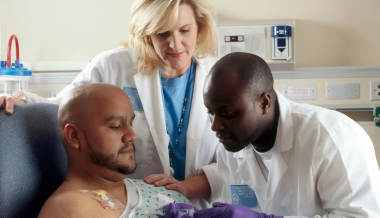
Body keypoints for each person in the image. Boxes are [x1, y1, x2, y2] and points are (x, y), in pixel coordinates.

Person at [0, 0, 222, 208]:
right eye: (162, 33)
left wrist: (187, 188)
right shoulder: (114, 65)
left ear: (199, 27)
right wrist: (21, 101)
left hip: (198, 205)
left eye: (184, 30)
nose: (175, 44)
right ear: (147, 34)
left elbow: (232, 160)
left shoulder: (219, 76)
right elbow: (65, 106)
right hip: (131, 205)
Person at [165, 52, 380, 218]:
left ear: (264, 103)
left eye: (227, 114)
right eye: (210, 113)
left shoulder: (331, 137)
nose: (215, 126)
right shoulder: (231, 148)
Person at [38, 83, 194, 218]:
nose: (132, 136)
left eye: (131, 124)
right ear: (75, 136)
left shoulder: (150, 186)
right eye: (116, 126)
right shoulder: (70, 207)